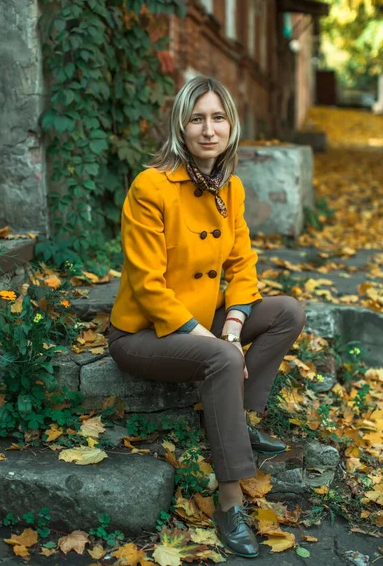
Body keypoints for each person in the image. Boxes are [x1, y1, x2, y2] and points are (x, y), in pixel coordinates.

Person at [108, 76, 306, 558]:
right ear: (181, 125)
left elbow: (242, 265)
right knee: (220, 358)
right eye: (197, 118)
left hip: (205, 321)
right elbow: (148, 285)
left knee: (287, 312)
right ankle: (231, 503)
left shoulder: (230, 188)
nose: (208, 129)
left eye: (218, 118)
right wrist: (216, 340)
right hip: (144, 333)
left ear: (231, 126)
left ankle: (237, 417)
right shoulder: (150, 187)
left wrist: (233, 326)